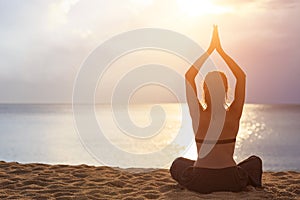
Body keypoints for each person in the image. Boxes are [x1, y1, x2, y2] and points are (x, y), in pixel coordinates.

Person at [169, 25, 262, 194]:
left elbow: (189, 76)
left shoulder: (198, 114)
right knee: (254, 162)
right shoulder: (233, 114)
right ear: (226, 90)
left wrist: (209, 51)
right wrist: (221, 51)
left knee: (178, 163)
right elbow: (241, 77)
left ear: (204, 91)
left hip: (200, 180)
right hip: (230, 179)